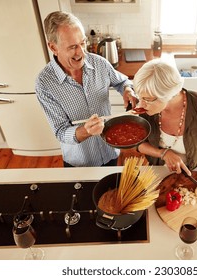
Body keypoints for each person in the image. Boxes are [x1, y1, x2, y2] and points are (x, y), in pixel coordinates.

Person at [35, 11, 136, 167]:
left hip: (110, 151)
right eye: (73, 47)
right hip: (80, 162)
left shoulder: (99, 63)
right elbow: (61, 131)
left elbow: (122, 81)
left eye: (83, 43)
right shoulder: (44, 84)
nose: (81, 52)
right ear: (53, 47)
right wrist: (86, 131)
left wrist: (128, 90)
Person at [133, 59, 197, 191]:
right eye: (139, 97)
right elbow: (138, 143)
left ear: (167, 95)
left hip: (194, 171)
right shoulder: (146, 109)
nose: (140, 105)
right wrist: (163, 153)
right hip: (158, 172)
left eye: (147, 100)